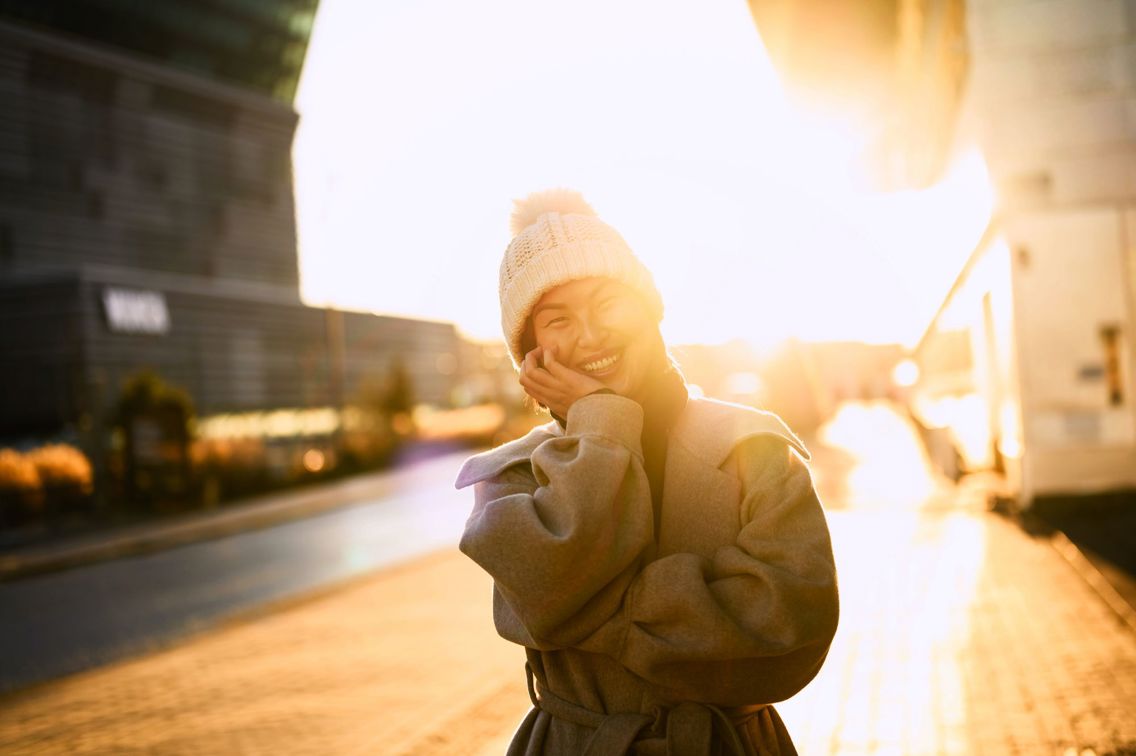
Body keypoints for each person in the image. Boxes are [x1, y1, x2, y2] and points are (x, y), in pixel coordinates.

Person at [455, 189, 839, 755]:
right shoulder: (510, 476)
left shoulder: (752, 446)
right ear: (531, 352)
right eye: (557, 319)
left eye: (608, 303)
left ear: (651, 309)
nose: (590, 335)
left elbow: (791, 620)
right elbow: (543, 591)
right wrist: (601, 422)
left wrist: (588, 611)